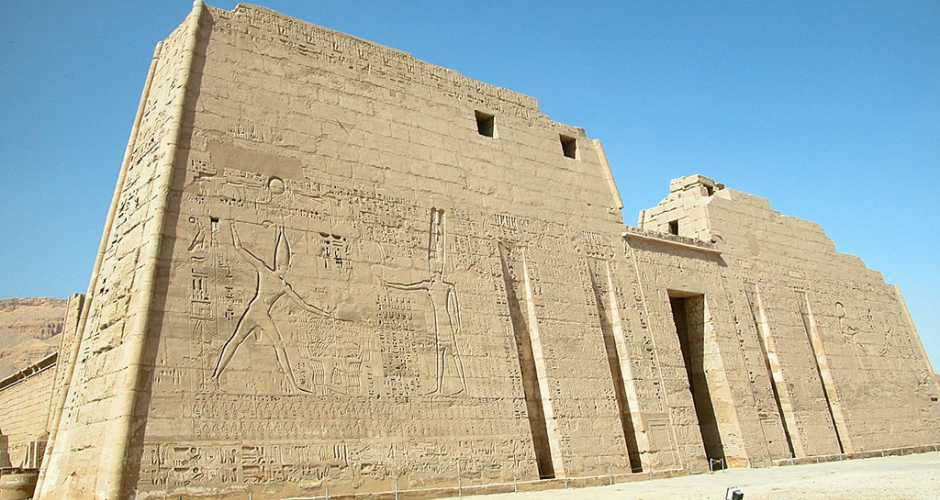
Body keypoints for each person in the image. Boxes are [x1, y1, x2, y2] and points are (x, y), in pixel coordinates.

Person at [211, 222, 333, 393]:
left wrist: (232, 228)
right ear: (283, 265)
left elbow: (239, 248)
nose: (285, 270)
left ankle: (216, 376)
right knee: (266, 343)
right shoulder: (279, 282)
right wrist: (324, 313)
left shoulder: (270, 275)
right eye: (285, 266)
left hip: (257, 311)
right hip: (259, 313)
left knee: (243, 341)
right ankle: (216, 376)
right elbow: (304, 305)